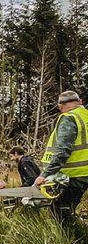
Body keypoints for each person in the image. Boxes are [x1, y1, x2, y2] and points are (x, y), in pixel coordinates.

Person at [35, 90, 88, 228]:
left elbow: (63, 150)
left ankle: (71, 242)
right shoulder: (85, 116)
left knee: (59, 211)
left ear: (59, 106)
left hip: (74, 175)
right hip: (83, 175)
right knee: (67, 209)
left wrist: (45, 174)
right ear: (80, 102)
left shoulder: (69, 118)